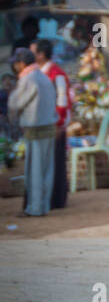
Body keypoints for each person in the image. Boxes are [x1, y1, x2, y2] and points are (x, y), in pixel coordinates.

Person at [7, 47, 57, 218]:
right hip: (49, 127)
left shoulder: (28, 79)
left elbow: (15, 104)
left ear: (21, 63)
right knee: (46, 170)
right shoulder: (43, 77)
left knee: (34, 170)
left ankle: (34, 208)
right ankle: (43, 206)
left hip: (35, 129)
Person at [32, 38, 72, 209]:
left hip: (55, 125)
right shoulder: (40, 72)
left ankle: (57, 199)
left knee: (55, 162)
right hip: (46, 123)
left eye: (32, 52)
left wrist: (58, 123)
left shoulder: (56, 73)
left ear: (41, 55)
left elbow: (62, 101)